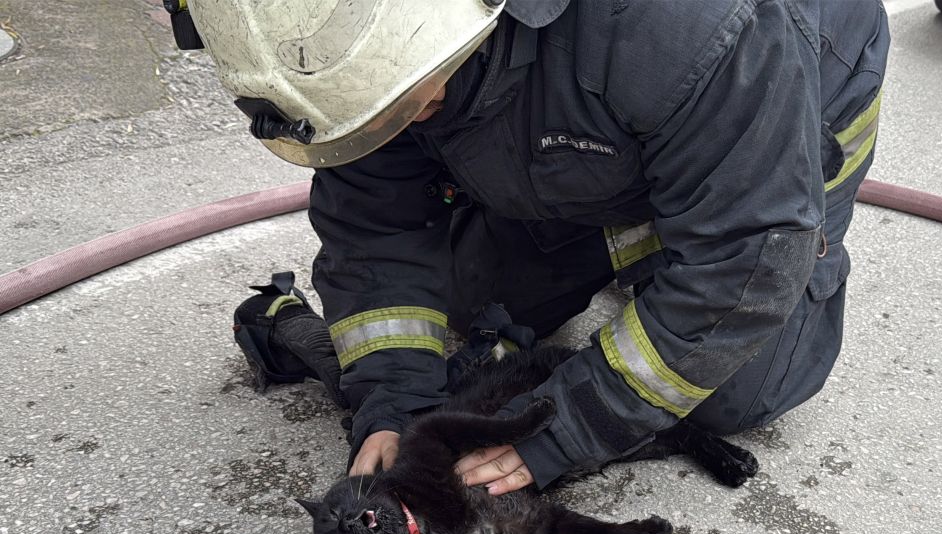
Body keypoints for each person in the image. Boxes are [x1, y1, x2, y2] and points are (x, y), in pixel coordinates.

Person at [178, 0, 890, 495]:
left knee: (733, 389)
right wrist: (395, 399)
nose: (388, 129)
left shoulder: (686, 27)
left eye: (404, 103)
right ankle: (629, 236)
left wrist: (565, 429)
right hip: (595, 127)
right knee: (472, 299)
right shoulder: (348, 52)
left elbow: (744, 252)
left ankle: (724, 249)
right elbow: (379, 229)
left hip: (784, 120)